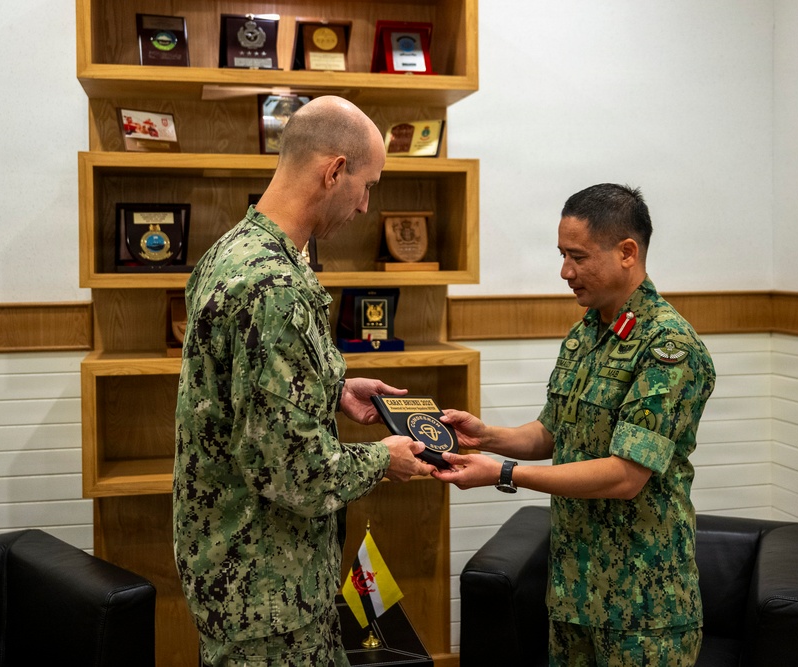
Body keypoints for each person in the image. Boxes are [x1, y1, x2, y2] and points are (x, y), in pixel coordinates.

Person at [173, 95, 435, 667]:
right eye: (366, 186)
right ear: (334, 171)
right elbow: (295, 472)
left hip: (248, 574)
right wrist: (383, 459)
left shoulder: (234, 250)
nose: (365, 206)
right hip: (267, 594)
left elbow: (243, 389)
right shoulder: (275, 288)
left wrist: (335, 388)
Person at [435, 183, 715, 667]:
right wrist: (487, 436)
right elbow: (553, 433)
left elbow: (625, 476)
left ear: (627, 252)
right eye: (562, 255)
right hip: (574, 593)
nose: (565, 271)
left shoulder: (669, 347)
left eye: (578, 257)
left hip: (642, 608)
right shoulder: (587, 331)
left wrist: (503, 473)